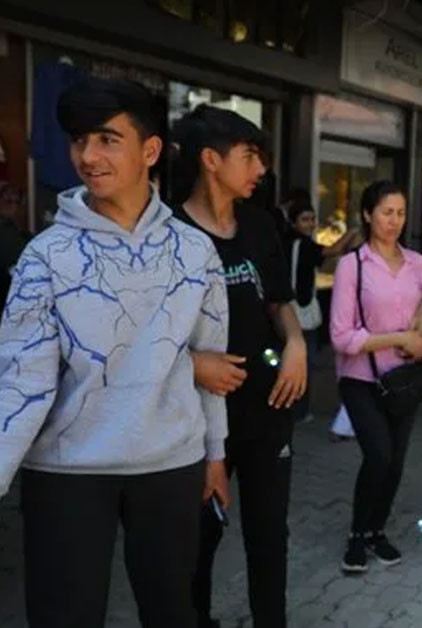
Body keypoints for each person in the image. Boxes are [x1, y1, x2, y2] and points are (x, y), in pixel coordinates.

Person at [0, 76, 229, 628]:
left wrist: (215, 453)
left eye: (107, 139)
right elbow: (20, 380)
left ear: (149, 151)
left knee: (172, 610)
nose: (88, 156)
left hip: (170, 465)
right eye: (79, 141)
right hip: (68, 472)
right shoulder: (45, 256)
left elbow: (211, 362)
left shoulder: (195, 252)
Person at [173, 105, 306, 628]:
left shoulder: (259, 223)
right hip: (200, 419)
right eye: (250, 156)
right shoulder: (172, 233)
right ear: (211, 159)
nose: (260, 171)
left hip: (268, 408)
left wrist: (295, 341)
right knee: (201, 534)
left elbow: (278, 299)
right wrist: (192, 363)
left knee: (270, 533)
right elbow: (145, 335)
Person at [329, 181, 422, 573]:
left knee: (396, 462)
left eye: (401, 213)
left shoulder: (417, 264)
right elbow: (341, 336)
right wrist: (397, 338)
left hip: (405, 378)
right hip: (361, 380)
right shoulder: (351, 265)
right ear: (368, 214)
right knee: (378, 455)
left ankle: (377, 531)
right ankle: (357, 535)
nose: (394, 221)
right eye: (386, 212)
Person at [285, 197, 358, 423]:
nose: (310, 224)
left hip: (291, 309)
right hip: (299, 310)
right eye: (305, 219)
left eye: (312, 219)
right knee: (304, 362)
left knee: (300, 360)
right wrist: (352, 232)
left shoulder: (292, 242)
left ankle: (296, 409)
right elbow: (332, 251)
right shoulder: (302, 244)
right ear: (293, 222)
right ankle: (298, 411)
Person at [0, 181, 30, 308]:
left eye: (17, 202)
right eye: (8, 201)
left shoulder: (25, 235)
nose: (13, 207)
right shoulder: (6, 233)